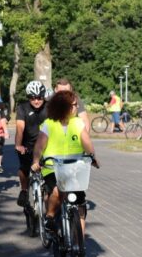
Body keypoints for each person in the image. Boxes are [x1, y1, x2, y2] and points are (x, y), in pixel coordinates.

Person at [31, 89, 98, 235]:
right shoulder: (49, 124)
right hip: (53, 168)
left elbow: (86, 142)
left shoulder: (78, 123)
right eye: (73, 105)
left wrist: (92, 157)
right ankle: (49, 217)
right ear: (63, 107)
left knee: (80, 203)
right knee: (57, 190)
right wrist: (36, 161)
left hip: (75, 167)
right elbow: (39, 146)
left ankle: (79, 246)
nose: (76, 108)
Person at [14, 81, 47, 206]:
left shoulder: (49, 107)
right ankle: (24, 190)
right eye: (33, 98)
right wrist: (18, 145)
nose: (37, 101)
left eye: (39, 98)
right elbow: (19, 129)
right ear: (28, 98)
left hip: (46, 145)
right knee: (24, 168)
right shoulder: (22, 108)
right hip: (27, 145)